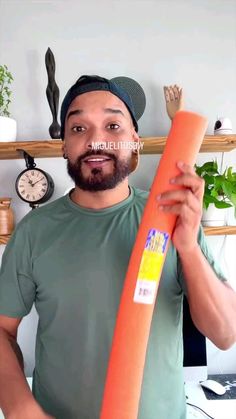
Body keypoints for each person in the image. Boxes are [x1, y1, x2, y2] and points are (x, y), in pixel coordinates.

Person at [0, 75, 236, 419]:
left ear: (134, 141)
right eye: (79, 129)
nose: (97, 141)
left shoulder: (172, 220)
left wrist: (187, 245)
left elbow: (225, 333)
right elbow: (3, 331)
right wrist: (22, 410)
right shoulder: (34, 232)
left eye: (113, 125)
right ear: (64, 144)